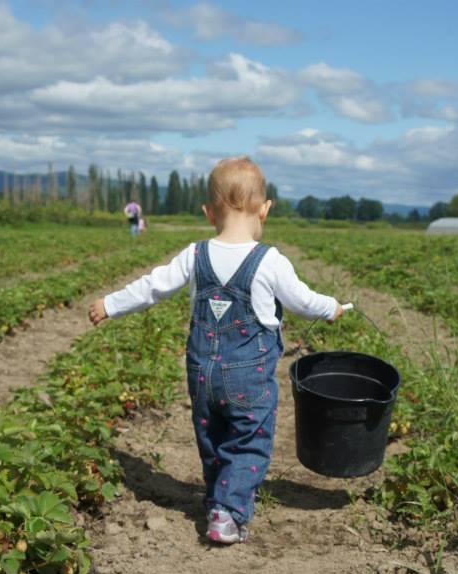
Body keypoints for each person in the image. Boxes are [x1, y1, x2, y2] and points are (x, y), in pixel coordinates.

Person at [88, 156, 344, 544]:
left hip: (202, 373)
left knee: (211, 434)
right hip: (249, 375)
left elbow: (153, 286)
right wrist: (332, 307)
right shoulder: (269, 261)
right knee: (249, 439)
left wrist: (111, 304)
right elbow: (304, 301)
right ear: (265, 209)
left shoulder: (194, 255)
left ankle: (217, 498)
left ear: (209, 213)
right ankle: (228, 510)